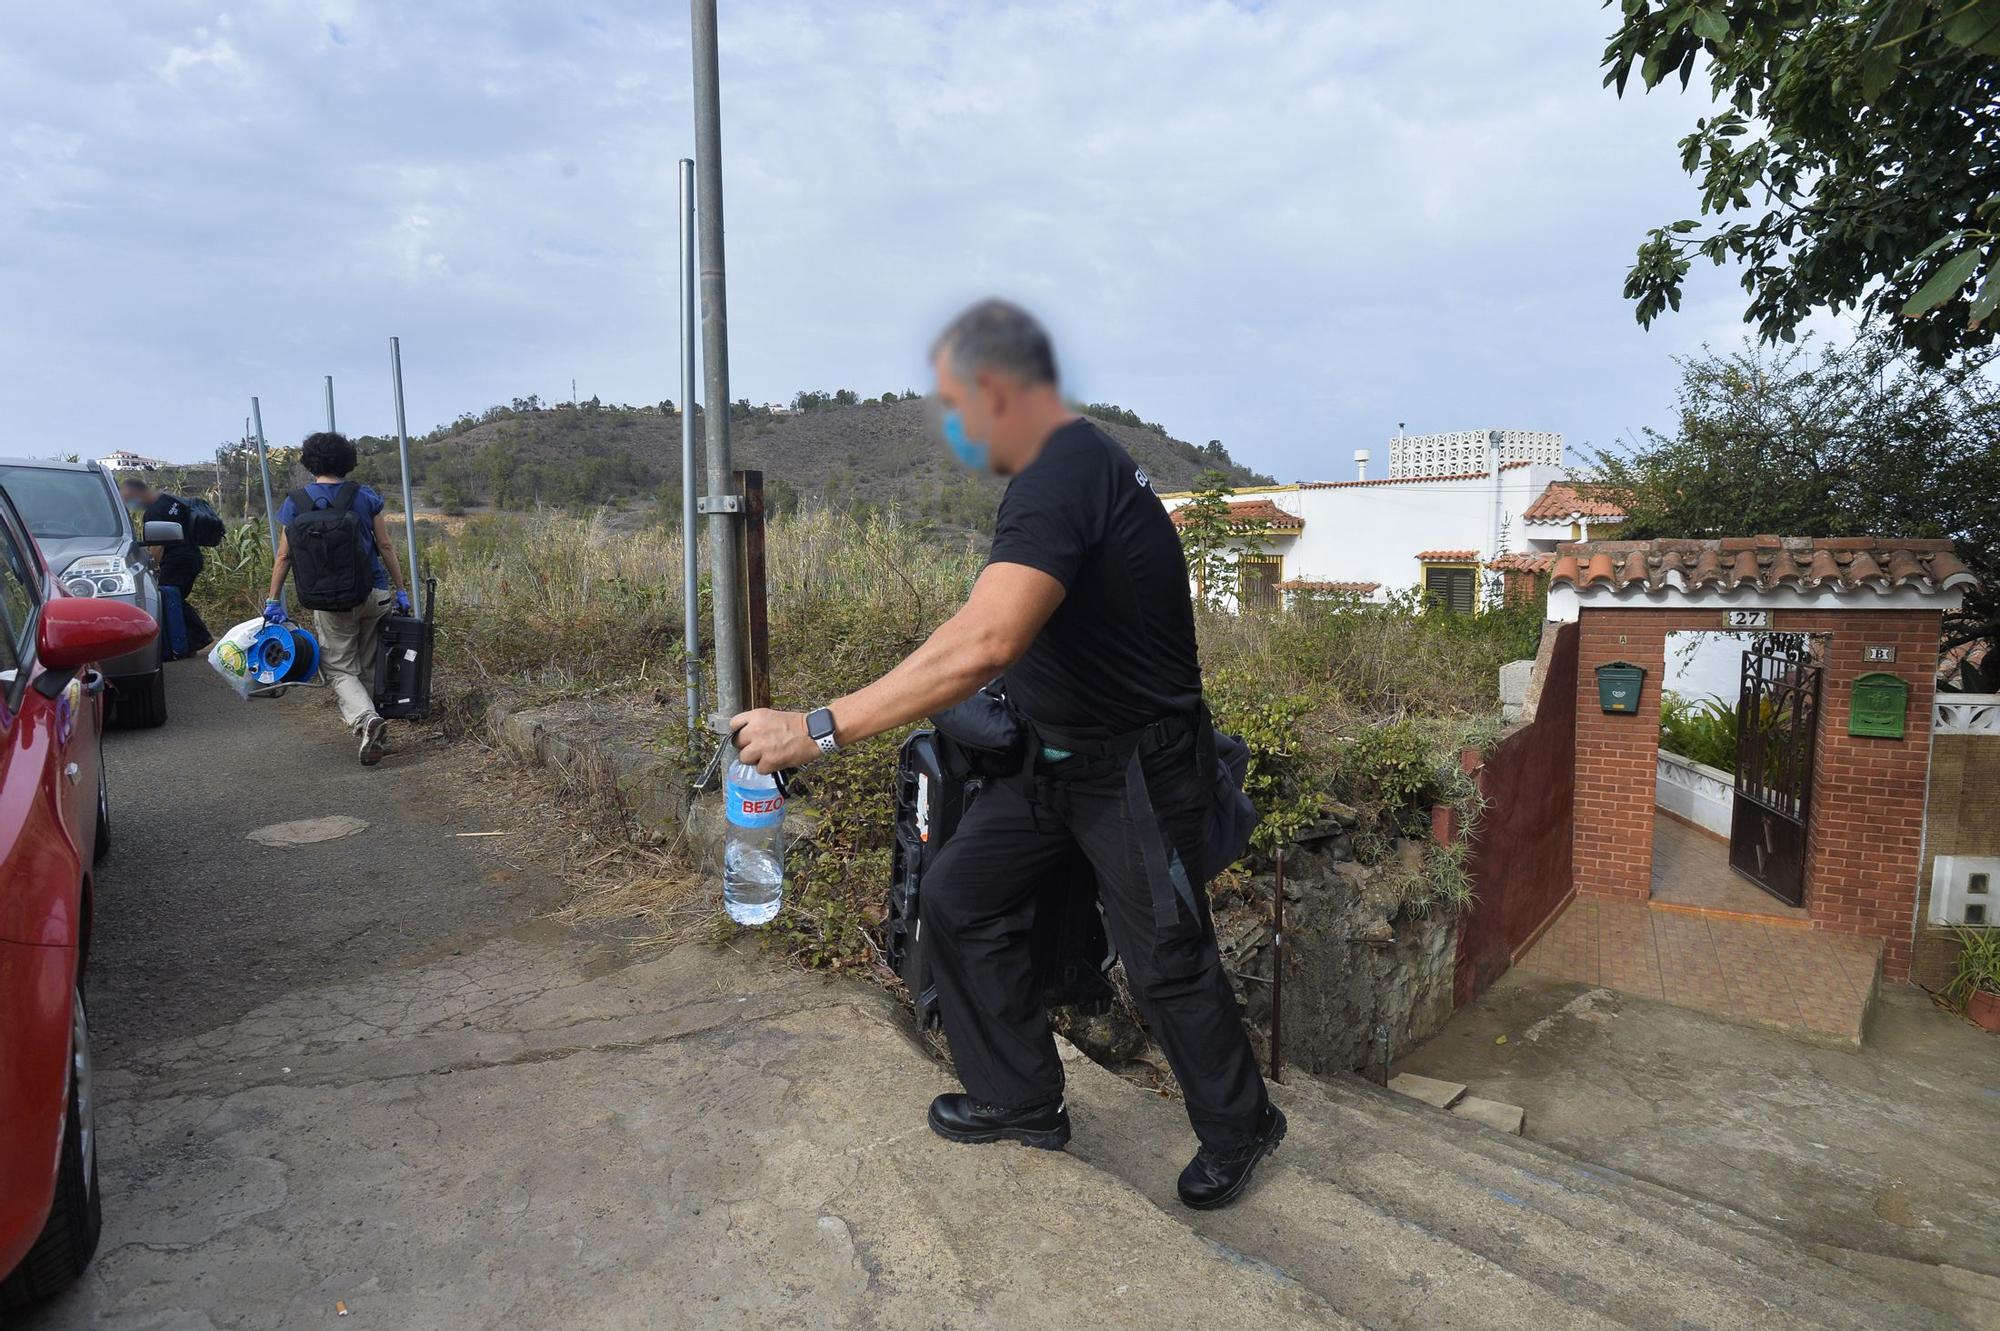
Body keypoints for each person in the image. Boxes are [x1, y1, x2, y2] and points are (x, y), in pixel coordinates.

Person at [732, 299, 1282, 1210]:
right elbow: (996, 633)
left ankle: (1243, 1123)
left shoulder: (1066, 471)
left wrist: (816, 727)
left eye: (954, 403)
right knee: (960, 896)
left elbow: (985, 641)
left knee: (1166, 960)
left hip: (1136, 771)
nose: (949, 426)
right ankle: (1021, 1096)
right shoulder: (1062, 471)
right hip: (1051, 759)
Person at [263, 432, 412, 766]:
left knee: (339, 668)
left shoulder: (295, 502)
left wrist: (274, 600)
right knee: (371, 663)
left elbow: (284, 557)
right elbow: (385, 545)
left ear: (309, 462)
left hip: (330, 601)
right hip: (373, 592)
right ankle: (373, 724)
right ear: (348, 461)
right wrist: (400, 589)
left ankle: (365, 719)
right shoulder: (365, 496)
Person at [121, 476, 213, 653]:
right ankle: (191, 641)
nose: (131, 504)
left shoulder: (154, 512)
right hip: (192, 557)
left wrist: (151, 568)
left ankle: (197, 638)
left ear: (137, 493)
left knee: (168, 598)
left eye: (129, 499)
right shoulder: (172, 501)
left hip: (176, 561)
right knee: (175, 599)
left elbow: (157, 546)